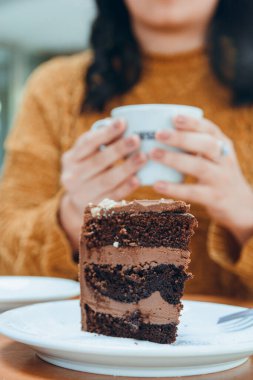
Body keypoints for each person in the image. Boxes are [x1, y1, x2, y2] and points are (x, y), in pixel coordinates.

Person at [1, 0, 253, 299]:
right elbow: (6, 261)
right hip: (82, 341)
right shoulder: (57, 89)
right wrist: (69, 217)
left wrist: (245, 218)